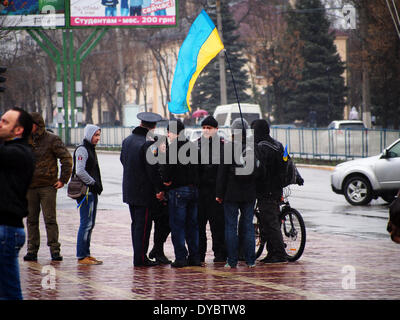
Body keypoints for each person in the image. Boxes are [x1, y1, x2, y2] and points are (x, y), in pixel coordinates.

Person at [251, 119, 303, 264]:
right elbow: (289, 162)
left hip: (266, 190)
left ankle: (279, 254)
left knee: (271, 222)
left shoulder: (260, 147)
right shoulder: (278, 145)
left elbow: (258, 170)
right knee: (271, 220)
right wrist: (298, 177)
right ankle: (272, 252)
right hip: (277, 189)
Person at [23, 112, 72, 262]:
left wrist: (63, 179)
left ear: (36, 125)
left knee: (50, 219)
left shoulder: (52, 140)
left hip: (47, 187)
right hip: (29, 186)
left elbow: (66, 159)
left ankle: (55, 250)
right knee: (31, 220)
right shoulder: (24, 140)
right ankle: (32, 250)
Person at [120, 112, 164, 267]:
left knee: (136, 225)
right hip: (144, 193)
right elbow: (152, 170)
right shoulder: (147, 144)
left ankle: (138, 255)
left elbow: (123, 161)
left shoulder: (127, 141)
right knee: (144, 226)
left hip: (130, 190)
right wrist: (159, 189)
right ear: (153, 127)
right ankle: (140, 258)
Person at [0, 107, 35, 300]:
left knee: (8, 294)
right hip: (6, 229)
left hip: (6, 229)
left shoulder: (19, 153)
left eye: (5, 122)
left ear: (18, 130)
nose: (0, 124)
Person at [216, 118, 256, 268]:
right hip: (249, 194)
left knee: (230, 227)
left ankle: (232, 260)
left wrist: (219, 193)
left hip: (231, 194)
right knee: (248, 226)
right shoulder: (252, 148)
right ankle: (250, 260)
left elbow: (222, 173)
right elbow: (258, 171)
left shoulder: (228, 148)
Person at [160, 120, 200, 268]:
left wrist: (167, 181)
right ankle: (195, 258)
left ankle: (181, 258)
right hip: (194, 190)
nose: (168, 135)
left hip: (178, 191)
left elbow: (166, 172)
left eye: (169, 132)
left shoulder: (174, 148)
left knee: (178, 225)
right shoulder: (193, 146)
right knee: (193, 226)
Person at [197, 115, 226, 263]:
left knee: (218, 226)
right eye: (204, 128)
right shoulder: (197, 145)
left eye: (209, 128)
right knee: (199, 226)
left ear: (216, 129)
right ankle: (199, 253)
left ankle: (220, 254)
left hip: (216, 193)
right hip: (201, 192)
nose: (206, 130)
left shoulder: (222, 146)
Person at [74, 124, 103, 265]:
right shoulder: (82, 149)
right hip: (86, 192)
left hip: (91, 192)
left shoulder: (90, 148)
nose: (98, 138)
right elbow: (80, 171)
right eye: (95, 135)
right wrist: (93, 183)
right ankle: (81, 255)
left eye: (99, 135)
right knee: (86, 223)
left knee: (90, 223)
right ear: (89, 135)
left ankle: (86, 253)